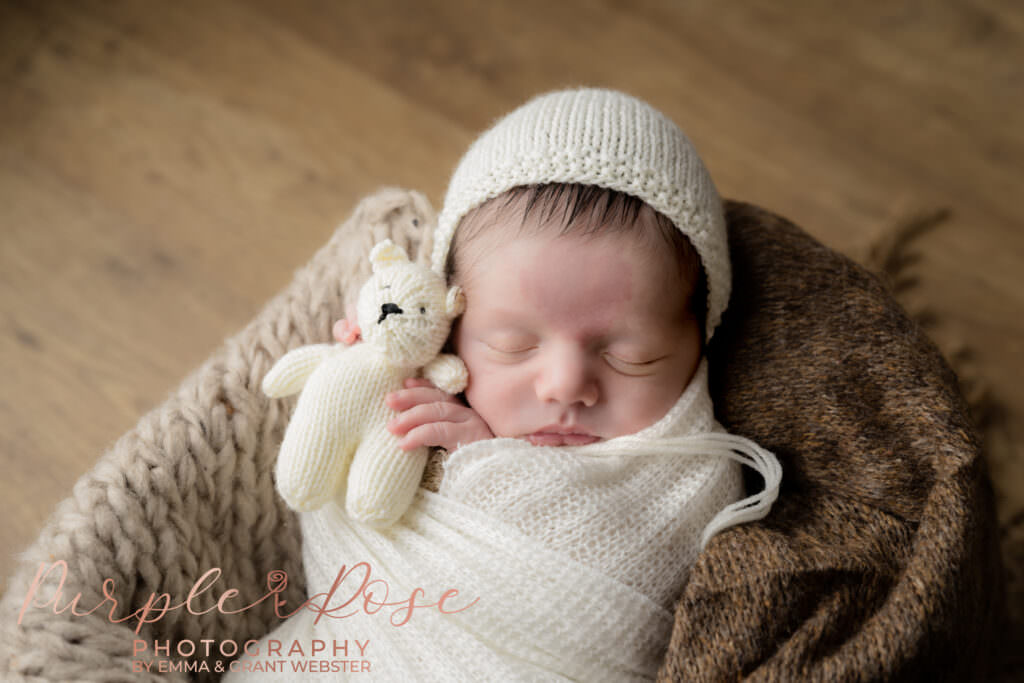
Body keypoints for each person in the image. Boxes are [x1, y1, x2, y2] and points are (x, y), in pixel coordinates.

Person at [229, 88, 780, 681]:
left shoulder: (695, 478)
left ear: (700, 342)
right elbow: (345, 506)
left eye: (632, 356)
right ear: (451, 327)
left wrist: (488, 463)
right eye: (513, 345)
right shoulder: (427, 392)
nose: (566, 387)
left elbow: (609, 599)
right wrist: (368, 367)